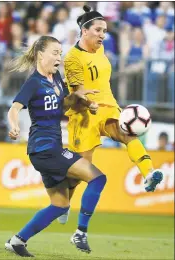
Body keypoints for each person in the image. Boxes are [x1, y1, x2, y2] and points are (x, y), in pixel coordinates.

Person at [5, 35, 107, 257]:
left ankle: (16, 241)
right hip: (45, 148)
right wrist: (13, 127)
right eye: (54, 53)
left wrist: (83, 100)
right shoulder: (33, 83)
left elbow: (64, 104)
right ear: (41, 55)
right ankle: (80, 232)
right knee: (98, 178)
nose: (59, 57)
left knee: (60, 205)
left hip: (46, 150)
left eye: (60, 53)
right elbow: (14, 108)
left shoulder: (56, 78)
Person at [61, 5, 163, 224]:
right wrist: (88, 103)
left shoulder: (100, 48)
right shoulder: (72, 58)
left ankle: (148, 173)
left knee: (128, 134)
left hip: (108, 106)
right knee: (80, 172)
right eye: (98, 30)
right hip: (84, 115)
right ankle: (62, 203)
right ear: (84, 31)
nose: (102, 35)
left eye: (105, 31)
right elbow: (77, 94)